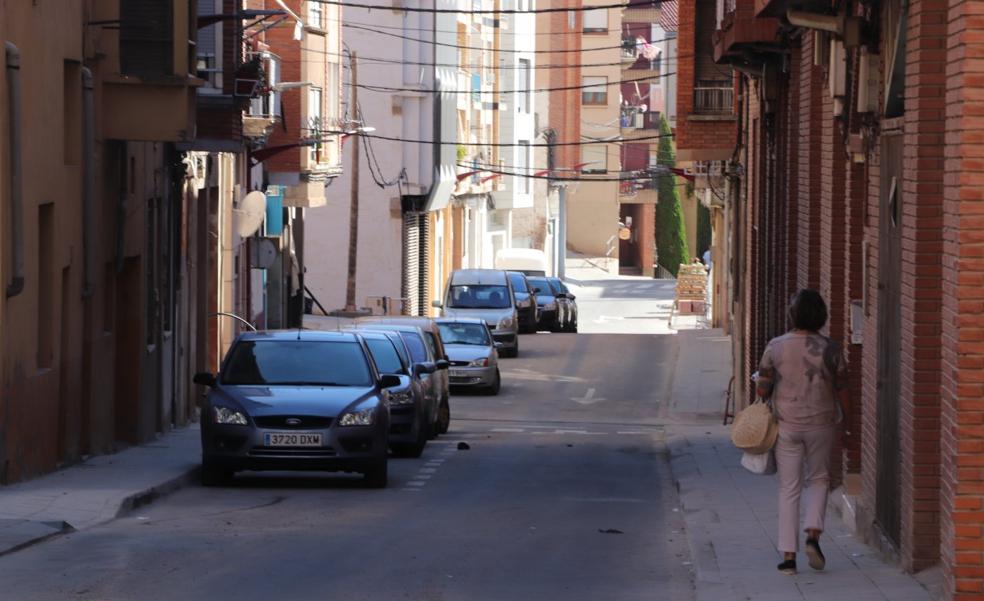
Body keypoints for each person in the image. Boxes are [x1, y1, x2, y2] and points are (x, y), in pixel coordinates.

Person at [755, 289, 849, 575]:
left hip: (787, 424)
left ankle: (788, 557)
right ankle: (813, 534)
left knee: (789, 488)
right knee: (820, 479)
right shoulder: (832, 349)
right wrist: (849, 424)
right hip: (822, 423)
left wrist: (763, 386)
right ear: (821, 316)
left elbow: (762, 387)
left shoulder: (776, 346)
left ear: (792, 315)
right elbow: (843, 389)